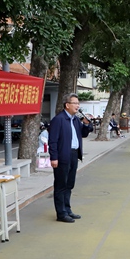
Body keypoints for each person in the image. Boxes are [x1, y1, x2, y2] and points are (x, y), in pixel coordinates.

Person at [48, 93, 92, 223]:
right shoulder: (59, 119)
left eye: (78, 104)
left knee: (69, 184)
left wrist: (87, 124)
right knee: (61, 185)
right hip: (62, 156)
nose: (78, 106)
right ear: (67, 105)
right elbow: (53, 140)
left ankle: (67, 210)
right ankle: (61, 213)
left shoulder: (75, 120)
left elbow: (83, 134)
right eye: (75, 103)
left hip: (74, 155)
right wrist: (54, 157)